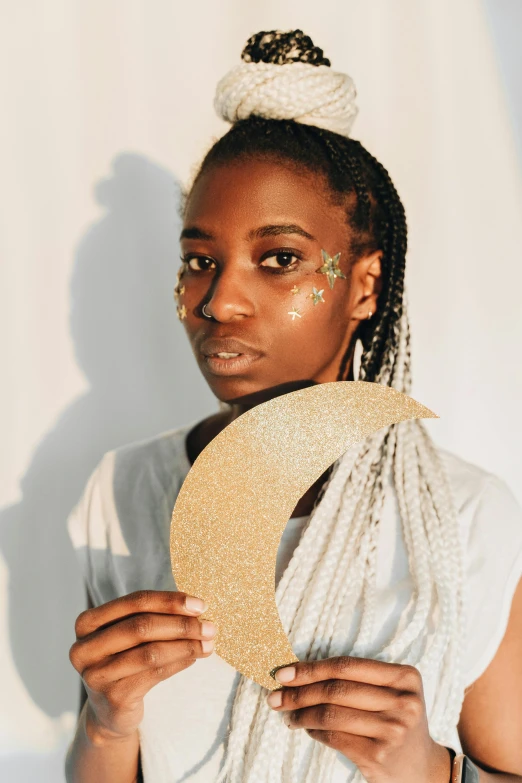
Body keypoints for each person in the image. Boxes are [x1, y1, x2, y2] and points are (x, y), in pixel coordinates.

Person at [65, 29, 522, 783]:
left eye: (279, 259)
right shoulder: (120, 494)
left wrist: (429, 769)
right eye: (199, 261)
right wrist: (106, 724)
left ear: (365, 284)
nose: (218, 299)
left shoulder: (467, 518)